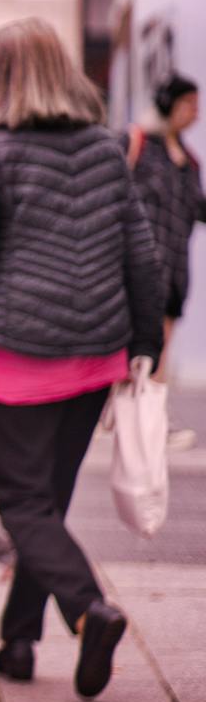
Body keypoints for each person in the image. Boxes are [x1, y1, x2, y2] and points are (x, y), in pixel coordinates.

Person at [0, 16, 163, 702]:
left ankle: (88, 609)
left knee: (20, 502)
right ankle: (17, 640)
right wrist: (145, 342)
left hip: (15, 354)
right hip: (94, 356)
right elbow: (140, 251)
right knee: (49, 502)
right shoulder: (103, 149)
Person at [126, 74, 204, 446]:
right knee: (138, 342)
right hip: (142, 263)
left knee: (163, 345)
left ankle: (153, 419)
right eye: (190, 103)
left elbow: (197, 208)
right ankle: (129, 413)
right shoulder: (139, 145)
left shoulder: (189, 159)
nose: (196, 112)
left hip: (175, 267)